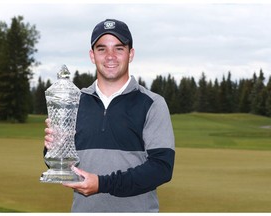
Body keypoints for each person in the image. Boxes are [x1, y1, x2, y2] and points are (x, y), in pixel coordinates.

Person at [44, 18, 175, 212]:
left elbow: (161, 168)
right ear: (92, 55)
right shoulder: (75, 102)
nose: (110, 56)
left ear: (131, 54)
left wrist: (101, 184)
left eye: (119, 48)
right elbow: (57, 163)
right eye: (102, 49)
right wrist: (53, 147)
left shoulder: (152, 104)